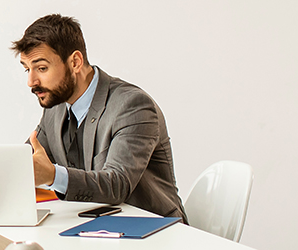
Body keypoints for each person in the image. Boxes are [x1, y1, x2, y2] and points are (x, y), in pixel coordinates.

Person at [14, 14, 187, 222]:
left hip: (155, 230)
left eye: (41, 68)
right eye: (27, 69)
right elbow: (24, 161)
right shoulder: (56, 105)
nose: (31, 81)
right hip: (94, 228)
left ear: (75, 62)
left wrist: (52, 176)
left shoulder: (133, 106)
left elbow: (117, 185)